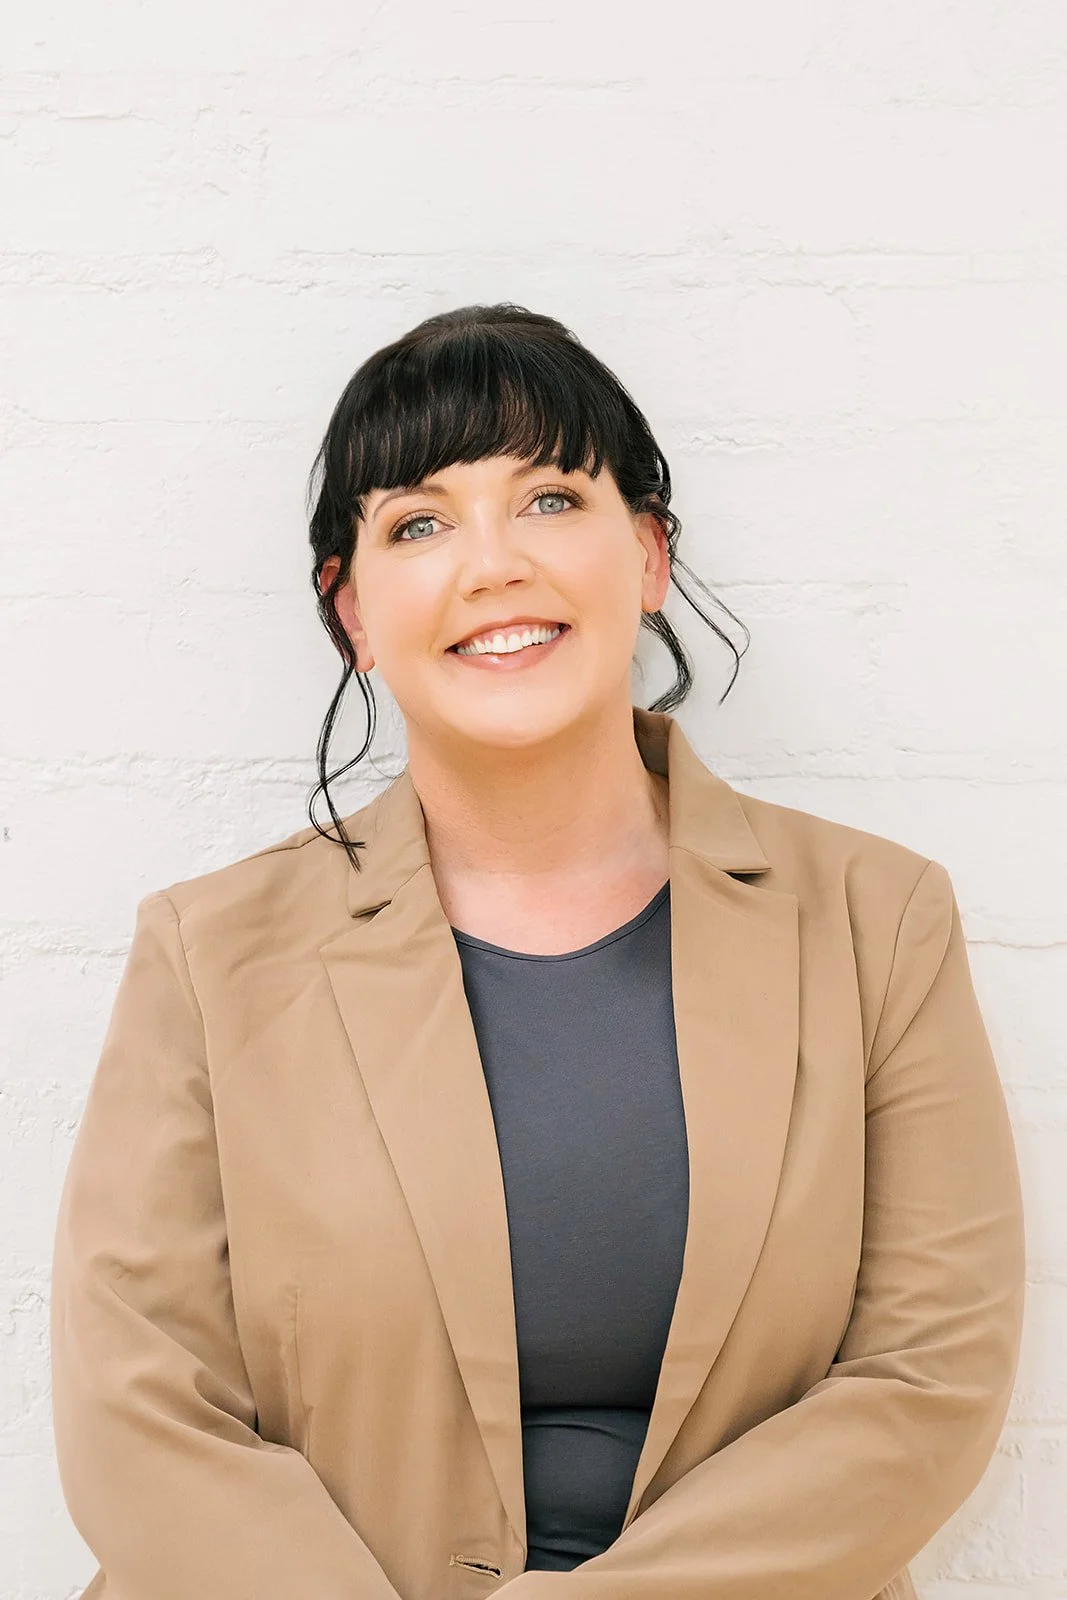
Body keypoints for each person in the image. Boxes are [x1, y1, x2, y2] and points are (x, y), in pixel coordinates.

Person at [50, 304, 1026, 1600]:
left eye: (550, 500)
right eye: (419, 523)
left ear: (648, 553)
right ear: (351, 610)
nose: (492, 564)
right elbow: (137, 1415)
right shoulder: (208, 954)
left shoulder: (877, 921)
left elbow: (927, 1376)